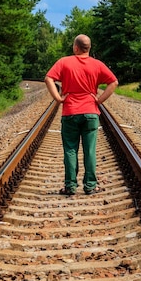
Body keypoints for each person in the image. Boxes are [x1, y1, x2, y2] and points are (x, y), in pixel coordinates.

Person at [45, 34, 119, 195]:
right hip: (91, 113)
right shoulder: (97, 64)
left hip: (70, 112)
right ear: (89, 48)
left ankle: (70, 186)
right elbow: (114, 82)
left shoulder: (64, 62)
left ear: (75, 48)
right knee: (90, 150)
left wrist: (58, 98)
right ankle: (91, 186)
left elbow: (48, 78)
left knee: (70, 150)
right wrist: (99, 101)